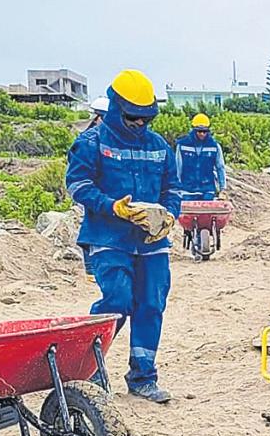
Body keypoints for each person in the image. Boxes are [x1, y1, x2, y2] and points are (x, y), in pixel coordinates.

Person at [65, 69, 182, 403]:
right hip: (108, 238)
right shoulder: (92, 143)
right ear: (116, 108)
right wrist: (112, 207)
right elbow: (78, 185)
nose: (139, 124)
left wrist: (169, 215)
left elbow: (172, 188)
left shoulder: (158, 146)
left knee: (151, 303)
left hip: (151, 242)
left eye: (146, 118)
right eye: (132, 118)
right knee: (117, 299)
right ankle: (88, 368)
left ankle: (143, 376)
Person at [174, 113, 227, 200]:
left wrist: (222, 189)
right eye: (199, 131)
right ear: (194, 130)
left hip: (207, 190)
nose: (202, 134)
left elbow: (220, 167)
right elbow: (178, 168)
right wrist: (176, 188)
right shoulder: (182, 145)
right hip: (187, 190)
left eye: (204, 131)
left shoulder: (214, 146)